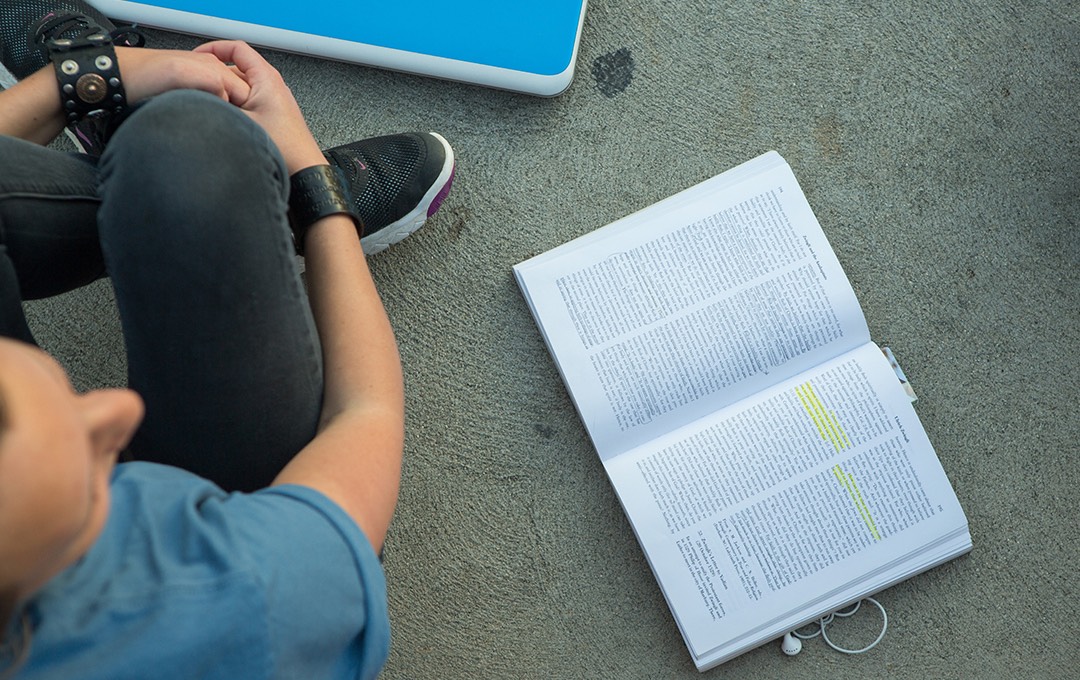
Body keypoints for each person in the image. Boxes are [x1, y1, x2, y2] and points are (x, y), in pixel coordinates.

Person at [0, 1, 455, 677]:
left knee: (181, 145)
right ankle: (250, 207)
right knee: (190, 146)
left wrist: (94, 75)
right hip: (242, 534)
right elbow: (366, 414)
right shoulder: (244, 602)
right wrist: (316, 191)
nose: (110, 405)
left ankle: (142, 144)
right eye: (92, 467)